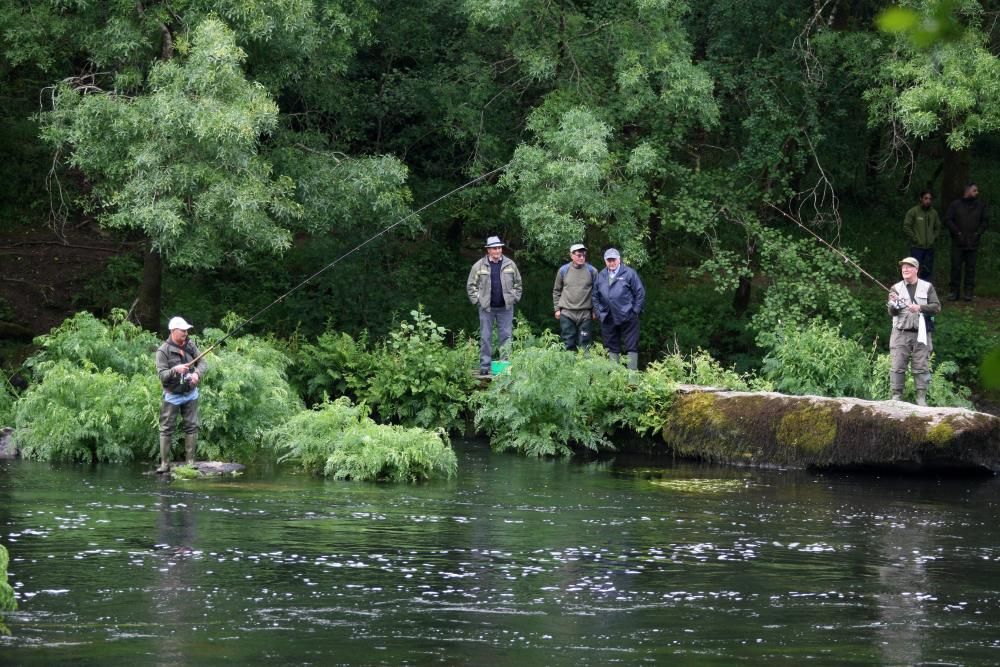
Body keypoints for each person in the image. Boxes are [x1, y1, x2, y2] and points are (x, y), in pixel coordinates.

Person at [155, 316, 207, 472]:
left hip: (191, 392)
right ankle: (165, 464)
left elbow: (203, 362)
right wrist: (174, 370)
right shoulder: (162, 351)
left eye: (186, 330)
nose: (185, 333)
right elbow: (162, 375)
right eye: (182, 330)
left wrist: (197, 374)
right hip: (172, 394)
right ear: (173, 331)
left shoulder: (190, 345)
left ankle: (190, 462)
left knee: (191, 427)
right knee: (166, 428)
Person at [887, 257, 941, 406]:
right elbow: (891, 312)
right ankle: (896, 397)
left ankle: (921, 398)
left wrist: (920, 308)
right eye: (903, 267)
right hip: (900, 333)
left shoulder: (927, 287)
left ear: (916, 270)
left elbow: (937, 307)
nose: (905, 269)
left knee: (921, 366)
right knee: (897, 365)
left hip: (921, 333)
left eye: (908, 267)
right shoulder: (895, 288)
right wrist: (894, 305)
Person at [467, 236, 523, 375]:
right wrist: (478, 301)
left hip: (506, 308)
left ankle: (505, 367)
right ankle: (485, 366)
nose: (497, 250)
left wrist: (514, 298)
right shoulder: (479, 265)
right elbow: (471, 286)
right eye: (494, 248)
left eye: (499, 247)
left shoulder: (510, 264)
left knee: (506, 337)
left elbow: (518, 284)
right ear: (488, 250)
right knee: (486, 337)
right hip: (487, 308)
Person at [593, 248, 646, 369]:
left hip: (628, 315)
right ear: (605, 261)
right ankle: (614, 378)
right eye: (608, 260)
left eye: (613, 260)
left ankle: (632, 379)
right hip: (607, 316)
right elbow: (595, 296)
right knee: (611, 347)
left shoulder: (629, 273)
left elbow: (640, 293)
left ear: (619, 259)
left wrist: (635, 311)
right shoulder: (601, 275)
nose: (611, 262)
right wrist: (599, 313)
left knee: (631, 346)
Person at [944, 182, 989, 301]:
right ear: (968, 191)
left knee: (971, 268)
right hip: (958, 242)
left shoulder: (980, 205)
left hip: (973, 242)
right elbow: (948, 219)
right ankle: (954, 292)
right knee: (956, 267)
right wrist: (956, 232)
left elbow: (985, 221)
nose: (977, 193)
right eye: (975, 190)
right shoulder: (955, 204)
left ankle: (968, 292)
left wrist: (978, 233)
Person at [552, 243, 597, 351]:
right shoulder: (563, 270)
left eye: (583, 255)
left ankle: (585, 367)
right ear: (571, 255)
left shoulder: (592, 271)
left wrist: (595, 310)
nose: (582, 257)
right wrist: (557, 309)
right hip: (567, 312)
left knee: (585, 344)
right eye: (578, 255)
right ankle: (569, 367)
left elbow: (596, 293)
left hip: (585, 313)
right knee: (568, 343)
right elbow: (556, 291)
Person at [903, 190, 940, 281]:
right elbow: (906, 226)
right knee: (914, 270)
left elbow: (938, 227)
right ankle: (912, 290)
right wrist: (915, 238)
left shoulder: (934, 213)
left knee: (927, 270)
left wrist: (933, 238)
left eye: (930, 199)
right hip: (917, 247)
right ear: (921, 199)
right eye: (926, 198)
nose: (928, 201)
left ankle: (924, 291)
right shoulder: (914, 211)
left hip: (929, 248)